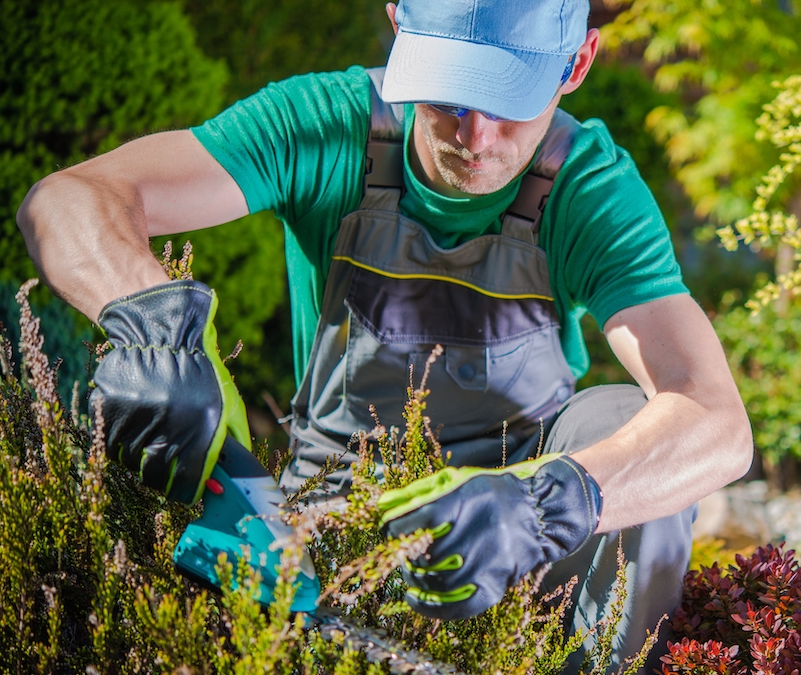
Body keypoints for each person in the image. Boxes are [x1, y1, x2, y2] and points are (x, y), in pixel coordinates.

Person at [16, 0, 752, 670]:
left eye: (510, 103)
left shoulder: (589, 188)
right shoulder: (326, 125)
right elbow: (67, 199)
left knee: (625, 417)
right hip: (336, 505)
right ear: (400, 27)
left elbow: (715, 421)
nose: (475, 137)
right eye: (451, 93)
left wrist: (544, 503)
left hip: (518, 526)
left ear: (577, 65)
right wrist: (150, 321)